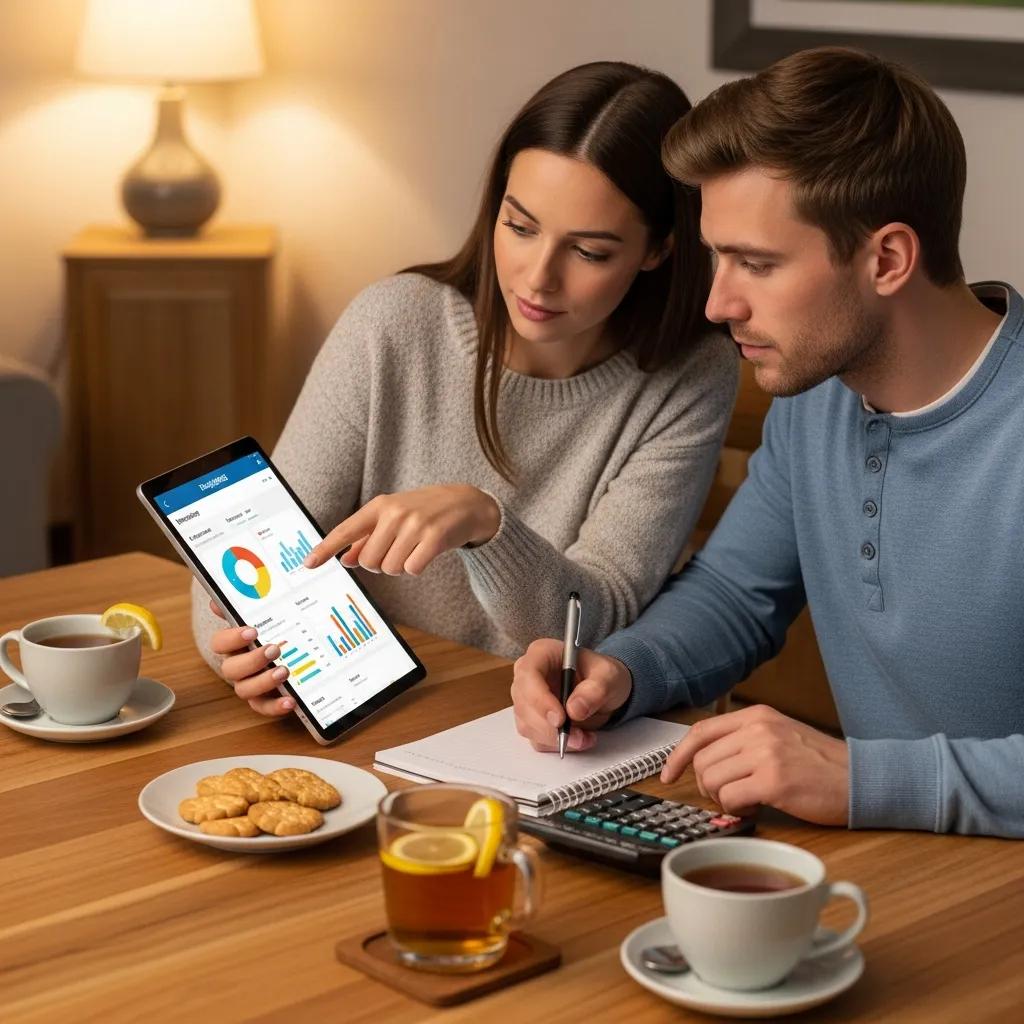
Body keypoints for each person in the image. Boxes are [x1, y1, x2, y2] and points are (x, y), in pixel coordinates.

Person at [511, 46, 1024, 839]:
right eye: (719, 255)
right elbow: (733, 596)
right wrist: (622, 670)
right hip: (894, 870)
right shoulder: (818, 398)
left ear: (887, 258)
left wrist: (860, 777)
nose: (718, 303)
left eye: (756, 263)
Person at [193, 61, 738, 717]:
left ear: (658, 250)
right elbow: (258, 540)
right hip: (368, 712)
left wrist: (486, 525)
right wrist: (233, 650)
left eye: (589, 252)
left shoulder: (691, 377)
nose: (538, 278)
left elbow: (593, 622)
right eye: (520, 225)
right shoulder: (395, 323)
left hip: (526, 735)